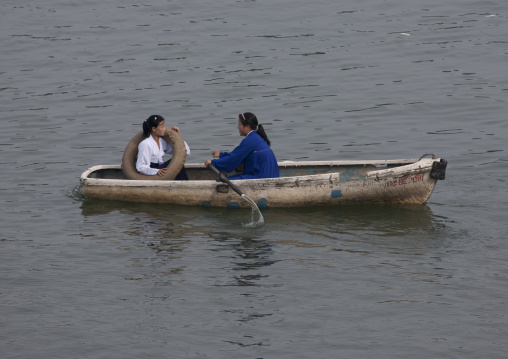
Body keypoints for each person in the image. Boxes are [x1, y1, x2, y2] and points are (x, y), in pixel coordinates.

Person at [204, 112, 279, 180]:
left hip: (261, 177)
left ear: (247, 127)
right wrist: (221, 154)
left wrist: (213, 163)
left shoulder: (250, 140)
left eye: (239, 124)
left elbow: (233, 159)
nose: (238, 127)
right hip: (270, 175)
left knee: (224, 181)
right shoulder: (255, 137)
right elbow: (238, 155)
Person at [136, 115, 190, 180]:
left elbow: (185, 153)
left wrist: (178, 137)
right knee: (177, 162)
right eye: (162, 127)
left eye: (164, 126)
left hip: (161, 170)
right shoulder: (145, 144)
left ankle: (182, 183)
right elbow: (140, 167)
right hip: (153, 172)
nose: (164, 129)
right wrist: (156, 171)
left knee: (179, 161)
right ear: (154, 129)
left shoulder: (162, 142)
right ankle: (183, 185)